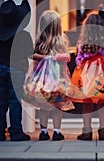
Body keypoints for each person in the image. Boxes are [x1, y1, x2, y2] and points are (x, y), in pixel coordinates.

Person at [0, 0, 32, 141]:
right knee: (15, 101)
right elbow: (29, 53)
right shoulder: (24, 35)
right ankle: (16, 133)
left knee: (0, 102)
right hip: (16, 69)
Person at [73, 7, 104, 140]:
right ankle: (103, 132)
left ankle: (87, 131)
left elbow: (78, 61)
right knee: (103, 104)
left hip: (86, 81)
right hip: (102, 80)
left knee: (87, 105)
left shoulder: (83, 45)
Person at [32, 10, 71, 141]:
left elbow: (33, 57)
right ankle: (57, 132)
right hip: (58, 80)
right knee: (57, 106)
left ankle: (43, 131)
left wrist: (44, 58)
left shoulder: (39, 42)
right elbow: (65, 59)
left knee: (43, 106)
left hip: (42, 81)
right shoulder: (62, 42)